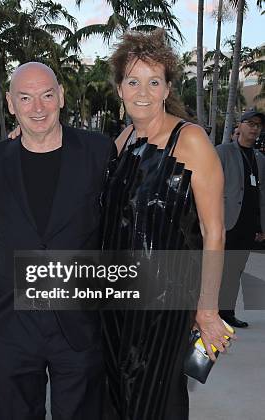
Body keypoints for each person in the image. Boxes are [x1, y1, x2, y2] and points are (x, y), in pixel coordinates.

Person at [101, 29, 232, 419]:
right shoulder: (122, 140)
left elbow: (214, 232)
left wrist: (207, 309)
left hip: (165, 305)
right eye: (133, 81)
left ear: (167, 87)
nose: (143, 91)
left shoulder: (189, 140)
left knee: (156, 400)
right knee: (117, 397)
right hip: (115, 302)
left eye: (153, 81)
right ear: (120, 88)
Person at [0, 62, 113, 420]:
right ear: (10, 103)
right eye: (26, 97)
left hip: (79, 325)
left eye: (47, 95)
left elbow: (113, 233)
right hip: (10, 325)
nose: (38, 107)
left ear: (61, 97)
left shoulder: (99, 151)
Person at [217, 110, 265, 328]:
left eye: (258, 125)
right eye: (251, 123)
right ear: (240, 126)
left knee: (234, 270)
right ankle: (209, 313)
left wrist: (260, 225)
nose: (255, 128)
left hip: (246, 224)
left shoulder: (259, 158)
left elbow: (260, 195)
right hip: (225, 221)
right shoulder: (223, 152)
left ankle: (226, 312)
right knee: (217, 269)